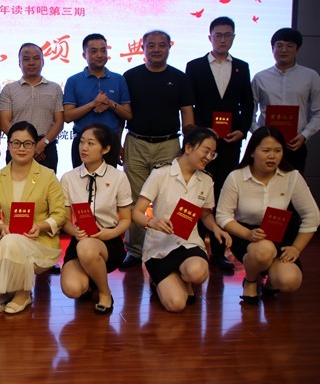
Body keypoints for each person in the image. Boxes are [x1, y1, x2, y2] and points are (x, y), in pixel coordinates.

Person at [216, 126, 319, 304]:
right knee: (264, 250)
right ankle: (250, 280)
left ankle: (271, 282)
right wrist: (247, 234)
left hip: (280, 235)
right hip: (246, 236)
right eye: (266, 150)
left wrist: (296, 248)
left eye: (277, 151)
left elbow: (312, 215)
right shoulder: (236, 177)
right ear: (252, 152)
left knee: (290, 281)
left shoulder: (292, 176)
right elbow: (222, 215)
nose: (272, 156)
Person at [131, 128, 231, 312]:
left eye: (213, 153)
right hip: (159, 248)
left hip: (188, 243)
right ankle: (161, 281)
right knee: (176, 304)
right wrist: (152, 222)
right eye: (205, 151)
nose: (209, 157)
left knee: (197, 273)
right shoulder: (161, 173)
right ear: (188, 148)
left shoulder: (206, 180)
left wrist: (216, 228)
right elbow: (136, 213)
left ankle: (185, 278)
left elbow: (205, 214)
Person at [122, 30, 195, 269]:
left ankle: (166, 248)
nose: (156, 49)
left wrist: (188, 147)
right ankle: (134, 250)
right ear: (142, 48)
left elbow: (187, 114)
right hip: (136, 143)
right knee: (135, 198)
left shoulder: (180, 78)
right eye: (151, 45)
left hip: (169, 144)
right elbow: (124, 113)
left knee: (168, 197)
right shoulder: (130, 76)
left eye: (161, 45)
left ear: (169, 47)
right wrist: (121, 144)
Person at [185, 16, 254, 270]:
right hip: (202, 143)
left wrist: (241, 130)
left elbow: (248, 104)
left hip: (229, 142)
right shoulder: (195, 66)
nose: (223, 39)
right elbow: (189, 105)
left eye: (227, 35)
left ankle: (218, 252)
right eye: (218, 35)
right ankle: (193, 247)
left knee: (222, 193)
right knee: (195, 191)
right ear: (210, 37)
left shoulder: (242, 67)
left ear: (233, 37)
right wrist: (200, 134)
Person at [0, 121, 66, 313]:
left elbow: (60, 214)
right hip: (10, 240)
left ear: (35, 145)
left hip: (40, 242)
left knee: (11, 242)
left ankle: (23, 293)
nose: (21, 148)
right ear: (8, 145)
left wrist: (41, 226)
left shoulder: (47, 175)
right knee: (11, 240)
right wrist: (0, 227)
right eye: (16, 143)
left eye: (28, 143)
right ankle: (14, 288)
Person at [60, 123, 132, 314]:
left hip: (109, 241)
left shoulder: (118, 178)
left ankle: (104, 292)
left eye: (91, 143)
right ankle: (90, 280)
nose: (84, 148)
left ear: (105, 149)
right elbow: (64, 220)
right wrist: (74, 231)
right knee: (73, 289)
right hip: (80, 239)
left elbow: (126, 219)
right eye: (82, 142)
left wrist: (110, 233)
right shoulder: (68, 178)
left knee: (87, 248)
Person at [252, 28, 320, 173]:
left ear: (297, 49)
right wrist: (258, 134)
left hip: (295, 144)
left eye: (289, 46)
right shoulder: (260, 77)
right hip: (265, 145)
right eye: (279, 45)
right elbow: (249, 111)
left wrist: (305, 135)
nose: (284, 50)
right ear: (272, 48)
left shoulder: (310, 76)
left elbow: (318, 111)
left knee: (293, 185)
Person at [63, 33, 131, 168]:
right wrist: (93, 104)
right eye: (94, 51)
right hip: (82, 142)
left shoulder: (119, 79)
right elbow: (68, 116)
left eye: (103, 50)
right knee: (80, 180)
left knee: (109, 181)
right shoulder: (73, 81)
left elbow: (128, 115)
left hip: (110, 142)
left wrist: (110, 103)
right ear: (84, 55)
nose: (100, 55)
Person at [0, 42, 64, 173]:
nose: (31, 62)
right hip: (17, 147)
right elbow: (4, 122)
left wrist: (42, 144)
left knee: (47, 186)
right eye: (26, 59)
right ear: (19, 63)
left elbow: (59, 122)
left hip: (46, 148)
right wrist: (26, 144)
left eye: (36, 58)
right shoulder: (9, 89)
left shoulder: (55, 88)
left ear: (43, 62)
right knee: (15, 186)